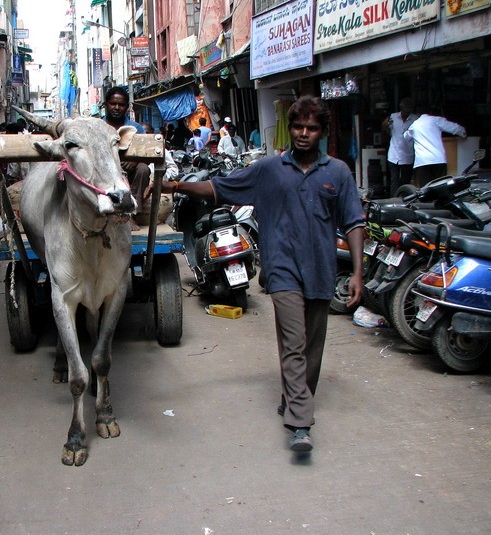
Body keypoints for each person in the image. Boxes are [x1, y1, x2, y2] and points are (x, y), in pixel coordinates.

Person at [153, 95, 365, 453]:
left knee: (313, 345)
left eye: (311, 128)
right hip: (281, 269)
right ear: (290, 129)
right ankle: (300, 423)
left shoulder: (338, 173)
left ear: (323, 133)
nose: (303, 134)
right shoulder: (269, 170)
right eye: (298, 126)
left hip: (321, 270)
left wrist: (358, 272)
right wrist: (176, 187)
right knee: (294, 342)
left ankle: (296, 396)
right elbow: (219, 187)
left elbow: (355, 223)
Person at [103, 87, 148, 231]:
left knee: (143, 168)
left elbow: (147, 152)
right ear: (106, 105)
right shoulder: (97, 126)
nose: (116, 108)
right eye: (113, 104)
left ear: (127, 107)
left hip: (129, 171)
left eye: (121, 104)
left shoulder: (136, 128)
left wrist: (134, 160)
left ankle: (131, 215)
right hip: (104, 170)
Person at [404, 109, 467, 186]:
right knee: (440, 186)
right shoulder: (435, 120)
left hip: (422, 162)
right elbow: (455, 128)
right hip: (438, 160)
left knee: (425, 189)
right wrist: (464, 134)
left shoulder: (414, 125)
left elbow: (406, 136)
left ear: (417, 114)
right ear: (430, 112)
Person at [381, 97, 417, 196]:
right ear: (401, 107)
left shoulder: (415, 119)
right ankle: (394, 200)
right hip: (394, 154)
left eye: (409, 108)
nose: (407, 110)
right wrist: (385, 125)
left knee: (405, 180)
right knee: (394, 180)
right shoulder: (393, 117)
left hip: (408, 154)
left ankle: (405, 199)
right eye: (405, 107)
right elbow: (386, 129)